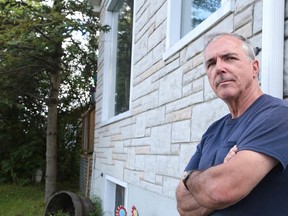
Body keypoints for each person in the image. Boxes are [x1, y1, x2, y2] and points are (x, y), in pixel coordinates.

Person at [176, 33, 288, 215]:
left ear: (254, 68)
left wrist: (191, 178)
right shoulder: (212, 131)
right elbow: (183, 205)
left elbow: (220, 190)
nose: (219, 68)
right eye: (211, 63)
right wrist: (219, 172)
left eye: (229, 58)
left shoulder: (279, 115)